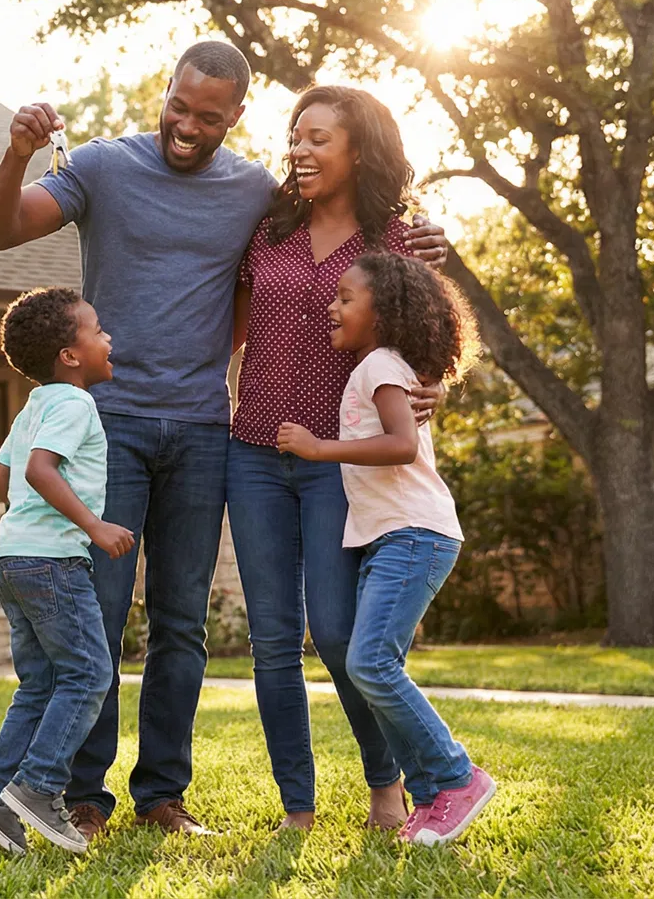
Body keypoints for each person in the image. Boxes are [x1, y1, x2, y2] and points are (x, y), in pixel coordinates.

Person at [0, 43, 450, 837]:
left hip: (204, 428)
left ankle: (162, 792)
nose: (187, 125)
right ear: (166, 92)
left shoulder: (259, 197)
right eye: (179, 105)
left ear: (236, 117)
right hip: (117, 426)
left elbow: (342, 310)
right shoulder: (110, 169)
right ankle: (84, 798)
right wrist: (17, 151)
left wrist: (420, 354)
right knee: (100, 611)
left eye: (208, 115)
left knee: (185, 623)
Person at [228, 85, 450, 831]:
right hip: (253, 450)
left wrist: (432, 392)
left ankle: (385, 784)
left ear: (360, 149)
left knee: (336, 632)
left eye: (319, 138)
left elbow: (429, 344)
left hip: (339, 462)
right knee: (269, 641)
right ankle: (298, 804)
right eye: (295, 136)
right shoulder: (267, 228)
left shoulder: (396, 241)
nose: (300, 149)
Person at [274, 250, 496, 844]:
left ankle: (456, 776)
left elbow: (401, 444)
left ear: (385, 311)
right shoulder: (380, 365)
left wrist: (318, 448)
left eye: (346, 298)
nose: (332, 305)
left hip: (412, 534)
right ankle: (429, 798)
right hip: (393, 536)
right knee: (369, 663)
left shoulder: (378, 364)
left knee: (370, 662)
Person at [0, 287, 135, 857]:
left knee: (40, 684)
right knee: (88, 674)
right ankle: (38, 788)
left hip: (12, 558)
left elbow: (1, 480)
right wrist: (93, 524)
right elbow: (39, 470)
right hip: (54, 561)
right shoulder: (74, 403)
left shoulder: (34, 404)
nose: (107, 338)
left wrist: (36, 520)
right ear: (71, 355)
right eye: (97, 331)